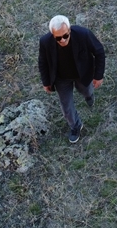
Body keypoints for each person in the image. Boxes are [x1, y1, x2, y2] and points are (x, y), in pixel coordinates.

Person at [38, 15, 105, 144]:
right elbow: (43, 62)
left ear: (69, 30)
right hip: (61, 79)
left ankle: (89, 96)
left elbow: (99, 51)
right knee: (66, 107)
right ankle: (75, 126)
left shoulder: (83, 34)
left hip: (82, 74)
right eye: (58, 38)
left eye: (65, 36)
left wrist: (98, 75)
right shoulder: (45, 42)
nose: (62, 40)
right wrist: (46, 82)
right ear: (52, 35)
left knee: (86, 90)